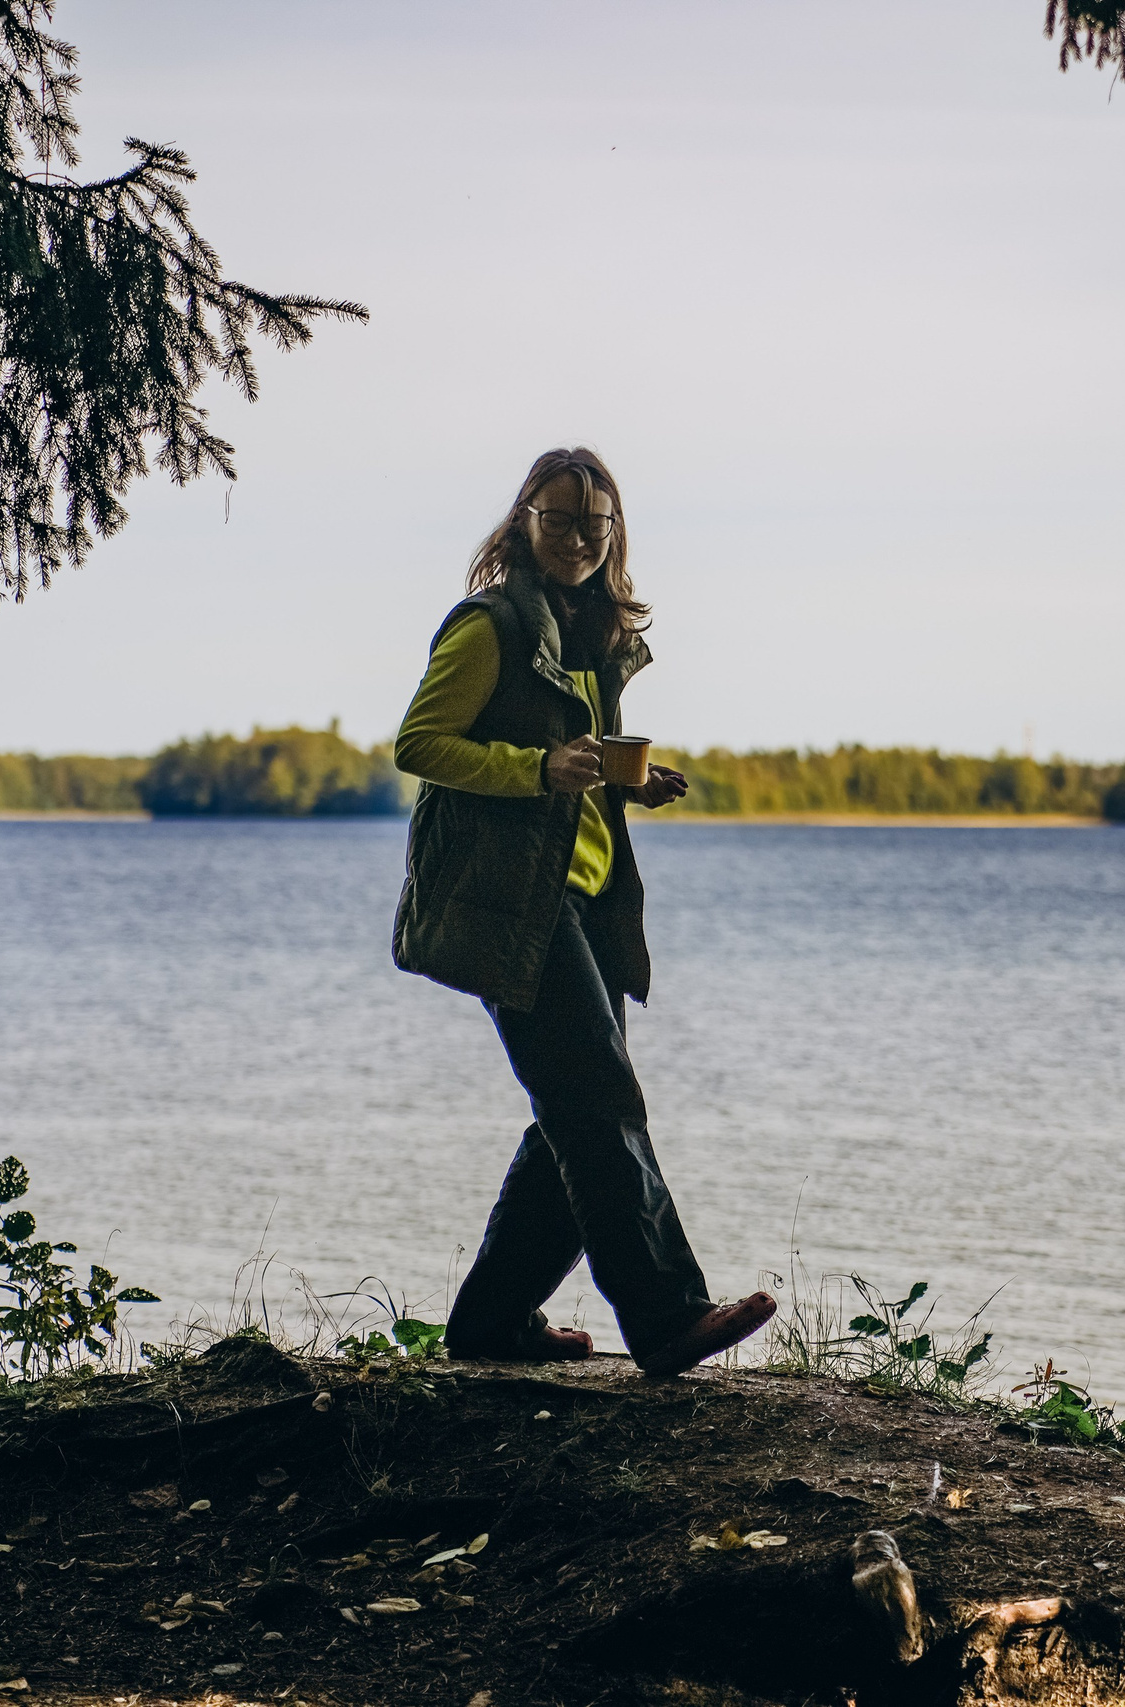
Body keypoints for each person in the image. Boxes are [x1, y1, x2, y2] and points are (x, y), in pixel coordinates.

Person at [390, 447, 774, 1376]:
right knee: (597, 1101)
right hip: (509, 905)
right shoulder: (490, 627)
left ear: (614, 535)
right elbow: (420, 742)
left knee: (573, 1109)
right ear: (523, 520)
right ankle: (668, 1316)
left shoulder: (590, 632)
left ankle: (489, 1325)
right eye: (557, 520)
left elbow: (578, 758)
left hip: (589, 901)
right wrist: (535, 770)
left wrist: (622, 784)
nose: (574, 540)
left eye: (593, 526)